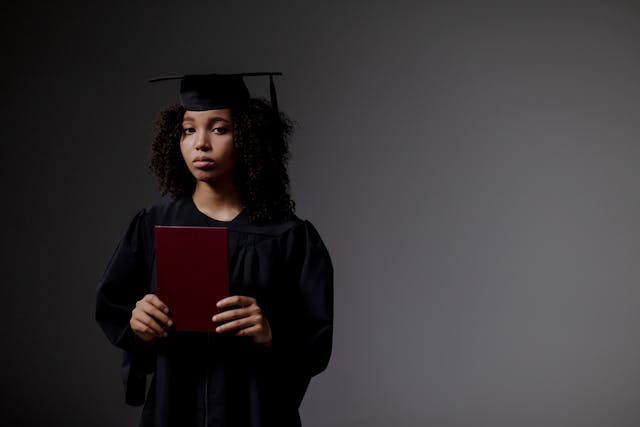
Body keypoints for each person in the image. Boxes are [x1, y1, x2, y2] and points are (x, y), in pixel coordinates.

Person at [95, 73, 333, 427]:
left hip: (255, 413)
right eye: (189, 129)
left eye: (219, 129)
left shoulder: (289, 237)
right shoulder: (153, 224)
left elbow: (315, 340)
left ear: (248, 137)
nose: (200, 143)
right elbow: (115, 308)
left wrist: (272, 334)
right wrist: (139, 324)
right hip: (174, 409)